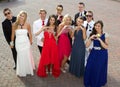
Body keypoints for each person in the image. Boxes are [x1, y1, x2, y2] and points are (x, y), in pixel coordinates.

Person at [84, 20, 109, 87]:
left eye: (98, 26)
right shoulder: (92, 34)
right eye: (96, 26)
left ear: (101, 27)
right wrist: (90, 39)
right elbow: (86, 45)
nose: (97, 27)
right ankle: (89, 81)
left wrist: (100, 39)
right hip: (94, 52)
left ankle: (97, 82)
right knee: (89, 66)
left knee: (98, 68)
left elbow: (106, 46)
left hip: (102, 54)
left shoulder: (105, 35)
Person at [11, 11, 35, 77]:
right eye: (21, 15)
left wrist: (30, 41)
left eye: (23, 16)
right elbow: (12, 35)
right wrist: (11, 43)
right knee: (20, 56)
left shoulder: (27, 24)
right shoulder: (14, 24)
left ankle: (28, 70)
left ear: (25, 17)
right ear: (18, 15)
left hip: (26, 43)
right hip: (18, 43)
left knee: (27, 56)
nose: (21, 17)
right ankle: (22, 71)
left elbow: (30, 34)